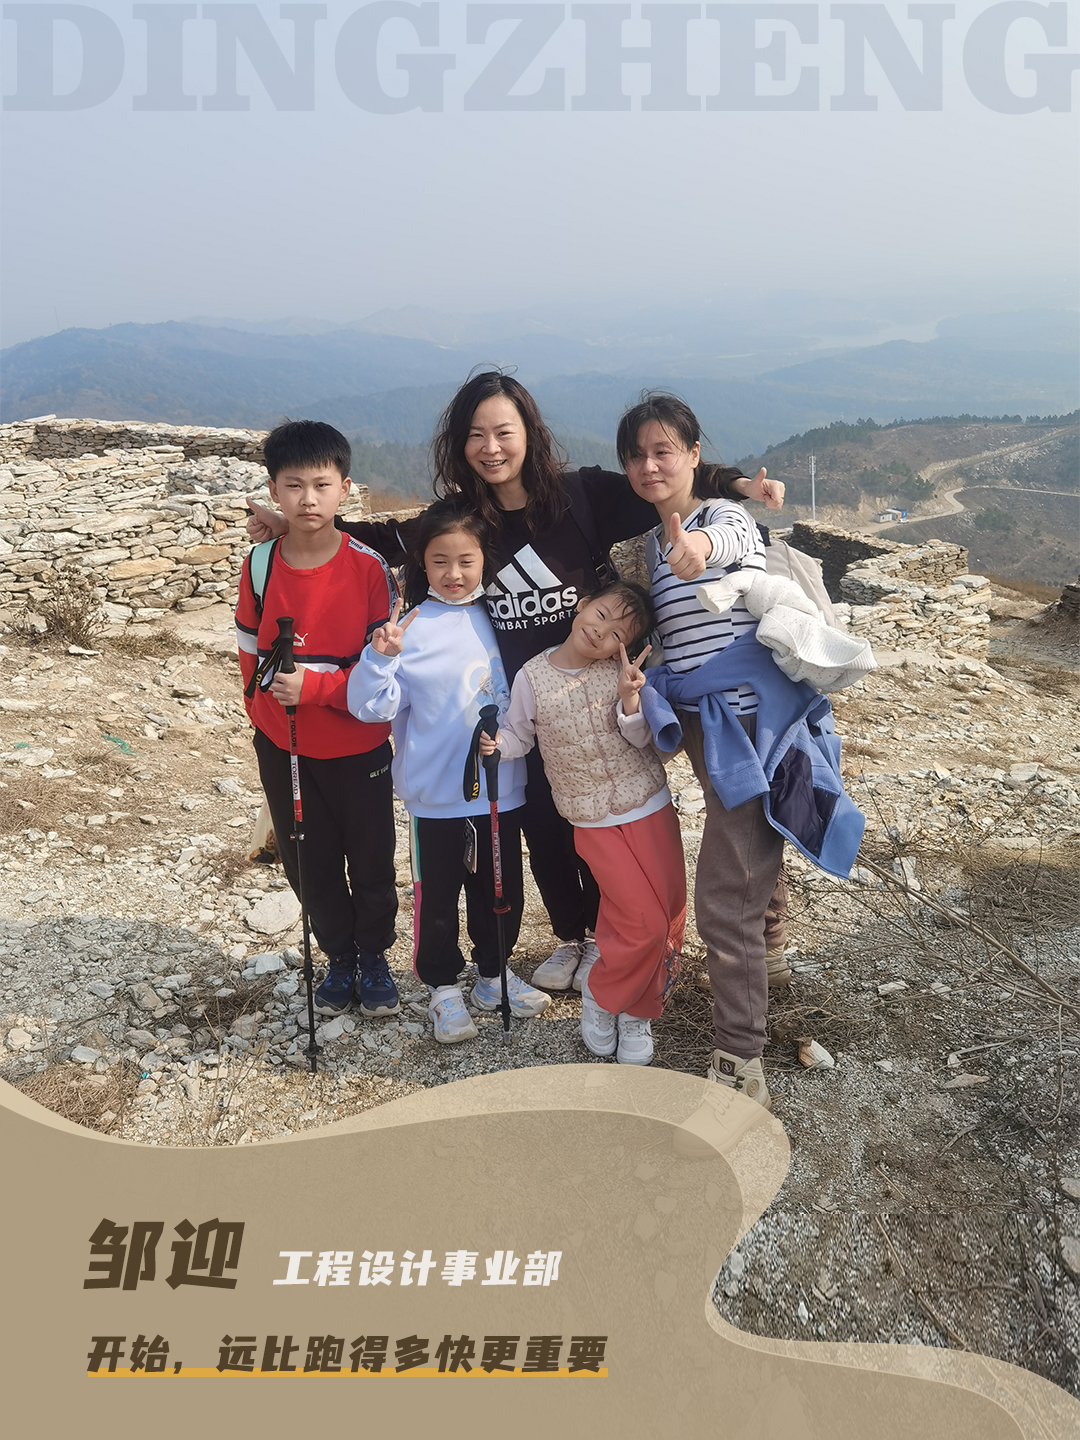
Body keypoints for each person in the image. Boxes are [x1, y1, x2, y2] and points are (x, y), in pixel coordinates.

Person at [247, 371, 783, 990]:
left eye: (504, 431)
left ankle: (618, 937)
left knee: (600, 822)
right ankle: (572, 936)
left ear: (530, 432)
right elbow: (383, 538)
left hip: (596, 695)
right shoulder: (464, 519)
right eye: (476, 435)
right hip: (523, 701)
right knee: (542, 828)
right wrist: (294, 526)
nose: (491, 447)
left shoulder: (580, 495)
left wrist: (737, 483)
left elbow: (662, 481)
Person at [617, 394, 780, 1103]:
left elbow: (730, 543)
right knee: (749, 844)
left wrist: (700, 549)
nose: (650, 466)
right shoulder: (652, 545)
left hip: (746, 726)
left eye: (664, 451)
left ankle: (740, 1060)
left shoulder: (720, 518)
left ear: (693, 455)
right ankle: (771, 948)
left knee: (724, 891)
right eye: (637, 455)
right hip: (704, 724)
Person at [346, 501, 550, 1042]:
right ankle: (442, 988)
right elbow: (369, 708)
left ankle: (493, 973)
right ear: (422, 562)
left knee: (500, 890)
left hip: (501, 787)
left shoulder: (504, 619)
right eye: (440, 562)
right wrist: (379, 659)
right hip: (435, 795)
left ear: (485, 559)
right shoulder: (410, 628)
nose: (453, 574)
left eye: (466, 561)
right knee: (436, 896)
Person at [235, 419, 401, 1023]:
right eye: (294, 485)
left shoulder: (369, 569)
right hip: (285, 746)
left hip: (359, 749)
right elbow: (249, 654)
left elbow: (380, 672)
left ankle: (375, 956)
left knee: (372, 859)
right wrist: (266, 718)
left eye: (322, 485)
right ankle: (338, 956)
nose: (308, 499)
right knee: (309, 861)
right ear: (273, 491)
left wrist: (316, 689)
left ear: (345, 489)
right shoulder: (260, 566)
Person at [481, 580, 686, 1066]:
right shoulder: (532, 676)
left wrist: (631, 701)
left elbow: (641, 740)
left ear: (624, 646)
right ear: (583, 605)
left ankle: (637, 1010)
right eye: (602, 615)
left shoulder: (621, 674)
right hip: (590, 816)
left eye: (619, 633)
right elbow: (520, 735)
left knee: (666, 914)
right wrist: (498, 745)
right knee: (643, 920)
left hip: (650, 803)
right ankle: (603, 994)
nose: (602, 632)